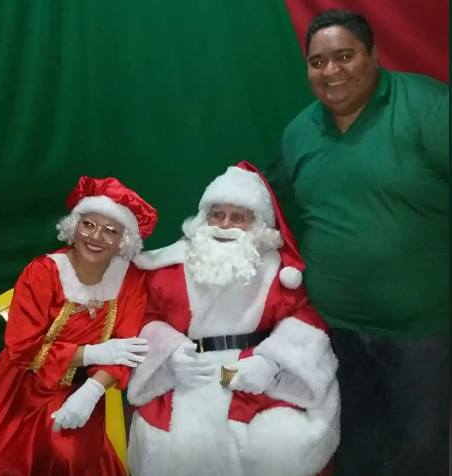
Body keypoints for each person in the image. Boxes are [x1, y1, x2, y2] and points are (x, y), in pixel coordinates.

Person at [265, 9, 449, 476]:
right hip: (335, 333)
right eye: (317, 62)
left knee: (421, 451)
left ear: (373, 55)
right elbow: (276, 208)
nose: (331, 71)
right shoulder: (298, 133)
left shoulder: (428, 107)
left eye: (344, 56)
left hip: (422, 333)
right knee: (353, 448)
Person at [126, 162, 340, 476]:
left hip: (250, 375)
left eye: (238, 217)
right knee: (174, 447)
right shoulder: (168, 265)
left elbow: (304, 318)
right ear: (204, 218)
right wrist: (170, 354)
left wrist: (271, 363)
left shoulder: (278, 272)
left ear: (258, 224)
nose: (225, 225)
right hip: (187, 374)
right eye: (217, 214)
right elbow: (143, 317)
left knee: (281, 446)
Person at [0, 176, 157, 476]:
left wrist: (92, 390)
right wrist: (92, 353)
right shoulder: (42, 272)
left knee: (72, 460)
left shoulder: (131, 280)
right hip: (21, 386)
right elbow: (22, 349)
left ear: (124, 240)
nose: (96, 236)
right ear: (74, 226)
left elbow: (126, 349)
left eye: (110, 230)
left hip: (79, 387)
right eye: (88, 224)